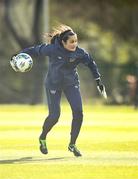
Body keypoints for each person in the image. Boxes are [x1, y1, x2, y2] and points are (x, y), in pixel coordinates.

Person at [11, 24, 106, 157]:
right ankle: (43, 137)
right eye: (71, 42)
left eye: (76, 41)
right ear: (63, 42)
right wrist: (19, 54)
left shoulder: (80, 53)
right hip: (53, 85)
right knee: (55, 116)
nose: (75, 44)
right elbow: (34, 50)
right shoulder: (52, 49)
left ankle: (72, 144)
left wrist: (98, 80)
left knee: (78, 112)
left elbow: (91, 63)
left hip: (71, 84)